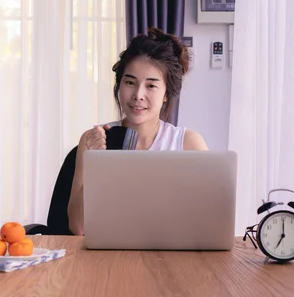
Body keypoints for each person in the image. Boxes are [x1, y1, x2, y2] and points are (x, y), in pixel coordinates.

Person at [67, 27, 209, 235]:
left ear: (166, 94)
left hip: (169, 257)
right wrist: (98, 162)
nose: (138, 95)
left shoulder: (188, 144)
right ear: (119, 85)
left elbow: (206, 220)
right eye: (130, 83)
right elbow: (78, 227)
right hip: (106, 258)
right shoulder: (94, 140)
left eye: (151, 86)